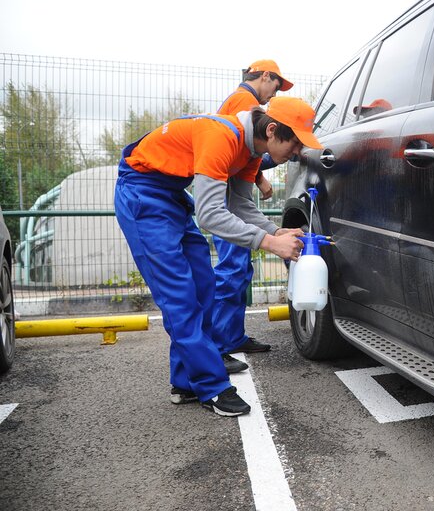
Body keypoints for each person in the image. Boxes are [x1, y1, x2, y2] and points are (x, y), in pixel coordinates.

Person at [114, 96, 323, 417]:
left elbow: (239, 206)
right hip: (143, 195)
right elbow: (211, 215)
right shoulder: (221, 137)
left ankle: (184, 383)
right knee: (179, 297)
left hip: (171, 197)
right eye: (295, 142)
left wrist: (274, 231)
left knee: (203, 284)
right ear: (271, 130)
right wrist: (268, 242)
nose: (297, 152)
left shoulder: (252, 152)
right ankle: (212, 386)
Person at [210, 60, 293, 361]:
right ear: (265, 76)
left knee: (239, 271)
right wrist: (260, 177)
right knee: (232, 271)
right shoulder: (246, 101)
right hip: (229, 201)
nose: (276, 93)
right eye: (277, 85)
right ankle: (219, 346)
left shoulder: (241, 101)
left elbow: (246, 152)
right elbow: (239, 148)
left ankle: (231, 337)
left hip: (231, 196)